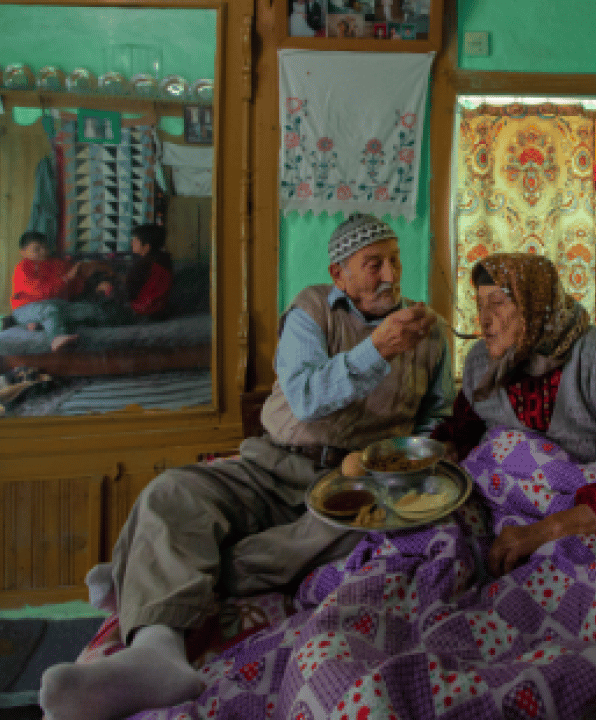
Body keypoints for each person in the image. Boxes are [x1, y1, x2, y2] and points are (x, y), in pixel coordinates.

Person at [38, 212, 455, 720]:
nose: (390, 274)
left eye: (394, 260)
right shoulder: (310, 309)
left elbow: (434, 415)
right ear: (339, 273)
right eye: (373, 264)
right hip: (272, 464)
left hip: (354, 485)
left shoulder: (429, 333)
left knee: (334, 538)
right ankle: (155, 655)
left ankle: (150, 568)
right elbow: (303, 398)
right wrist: (377, 349)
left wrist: (418, 450)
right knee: (172, 493)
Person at [423, 253, 596, 576]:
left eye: (498, 303)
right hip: (506, 501)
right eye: (480, 304)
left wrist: (543, 532)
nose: (484, 319)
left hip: (586, 507)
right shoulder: (482, 363)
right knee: (433, 548)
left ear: (534, 304)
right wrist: (439, 454)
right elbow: (461, 432)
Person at [9, 231, 113, 352]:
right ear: (23, 252)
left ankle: (39, 323)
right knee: (49, 309)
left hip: (57, 306)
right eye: (37, 249)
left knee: (91, 310)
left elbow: (76, 284)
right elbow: (42, 292)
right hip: (25, 309)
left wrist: (96, 287)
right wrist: (67, 278)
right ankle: (56, 339)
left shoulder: (57, 264)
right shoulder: (22, 268)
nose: (43, 251)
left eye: (45, 247)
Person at [92, 223, 174, 322]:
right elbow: (143, 285)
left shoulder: (143, 265)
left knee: (94, 300)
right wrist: (118, 276)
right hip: (158, 312)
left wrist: (107, 289)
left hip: (139, 314)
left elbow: (126, 296)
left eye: (135, 240)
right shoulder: (162, 261)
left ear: (146, 247)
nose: (132, 243)